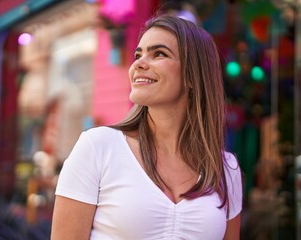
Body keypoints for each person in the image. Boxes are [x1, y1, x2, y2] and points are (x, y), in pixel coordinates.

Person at [51, 14, 243, 240]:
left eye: (159, 54)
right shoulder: (98, 147)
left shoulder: (224, 168)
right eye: (138, 54)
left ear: (193, 75)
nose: (139, 64)